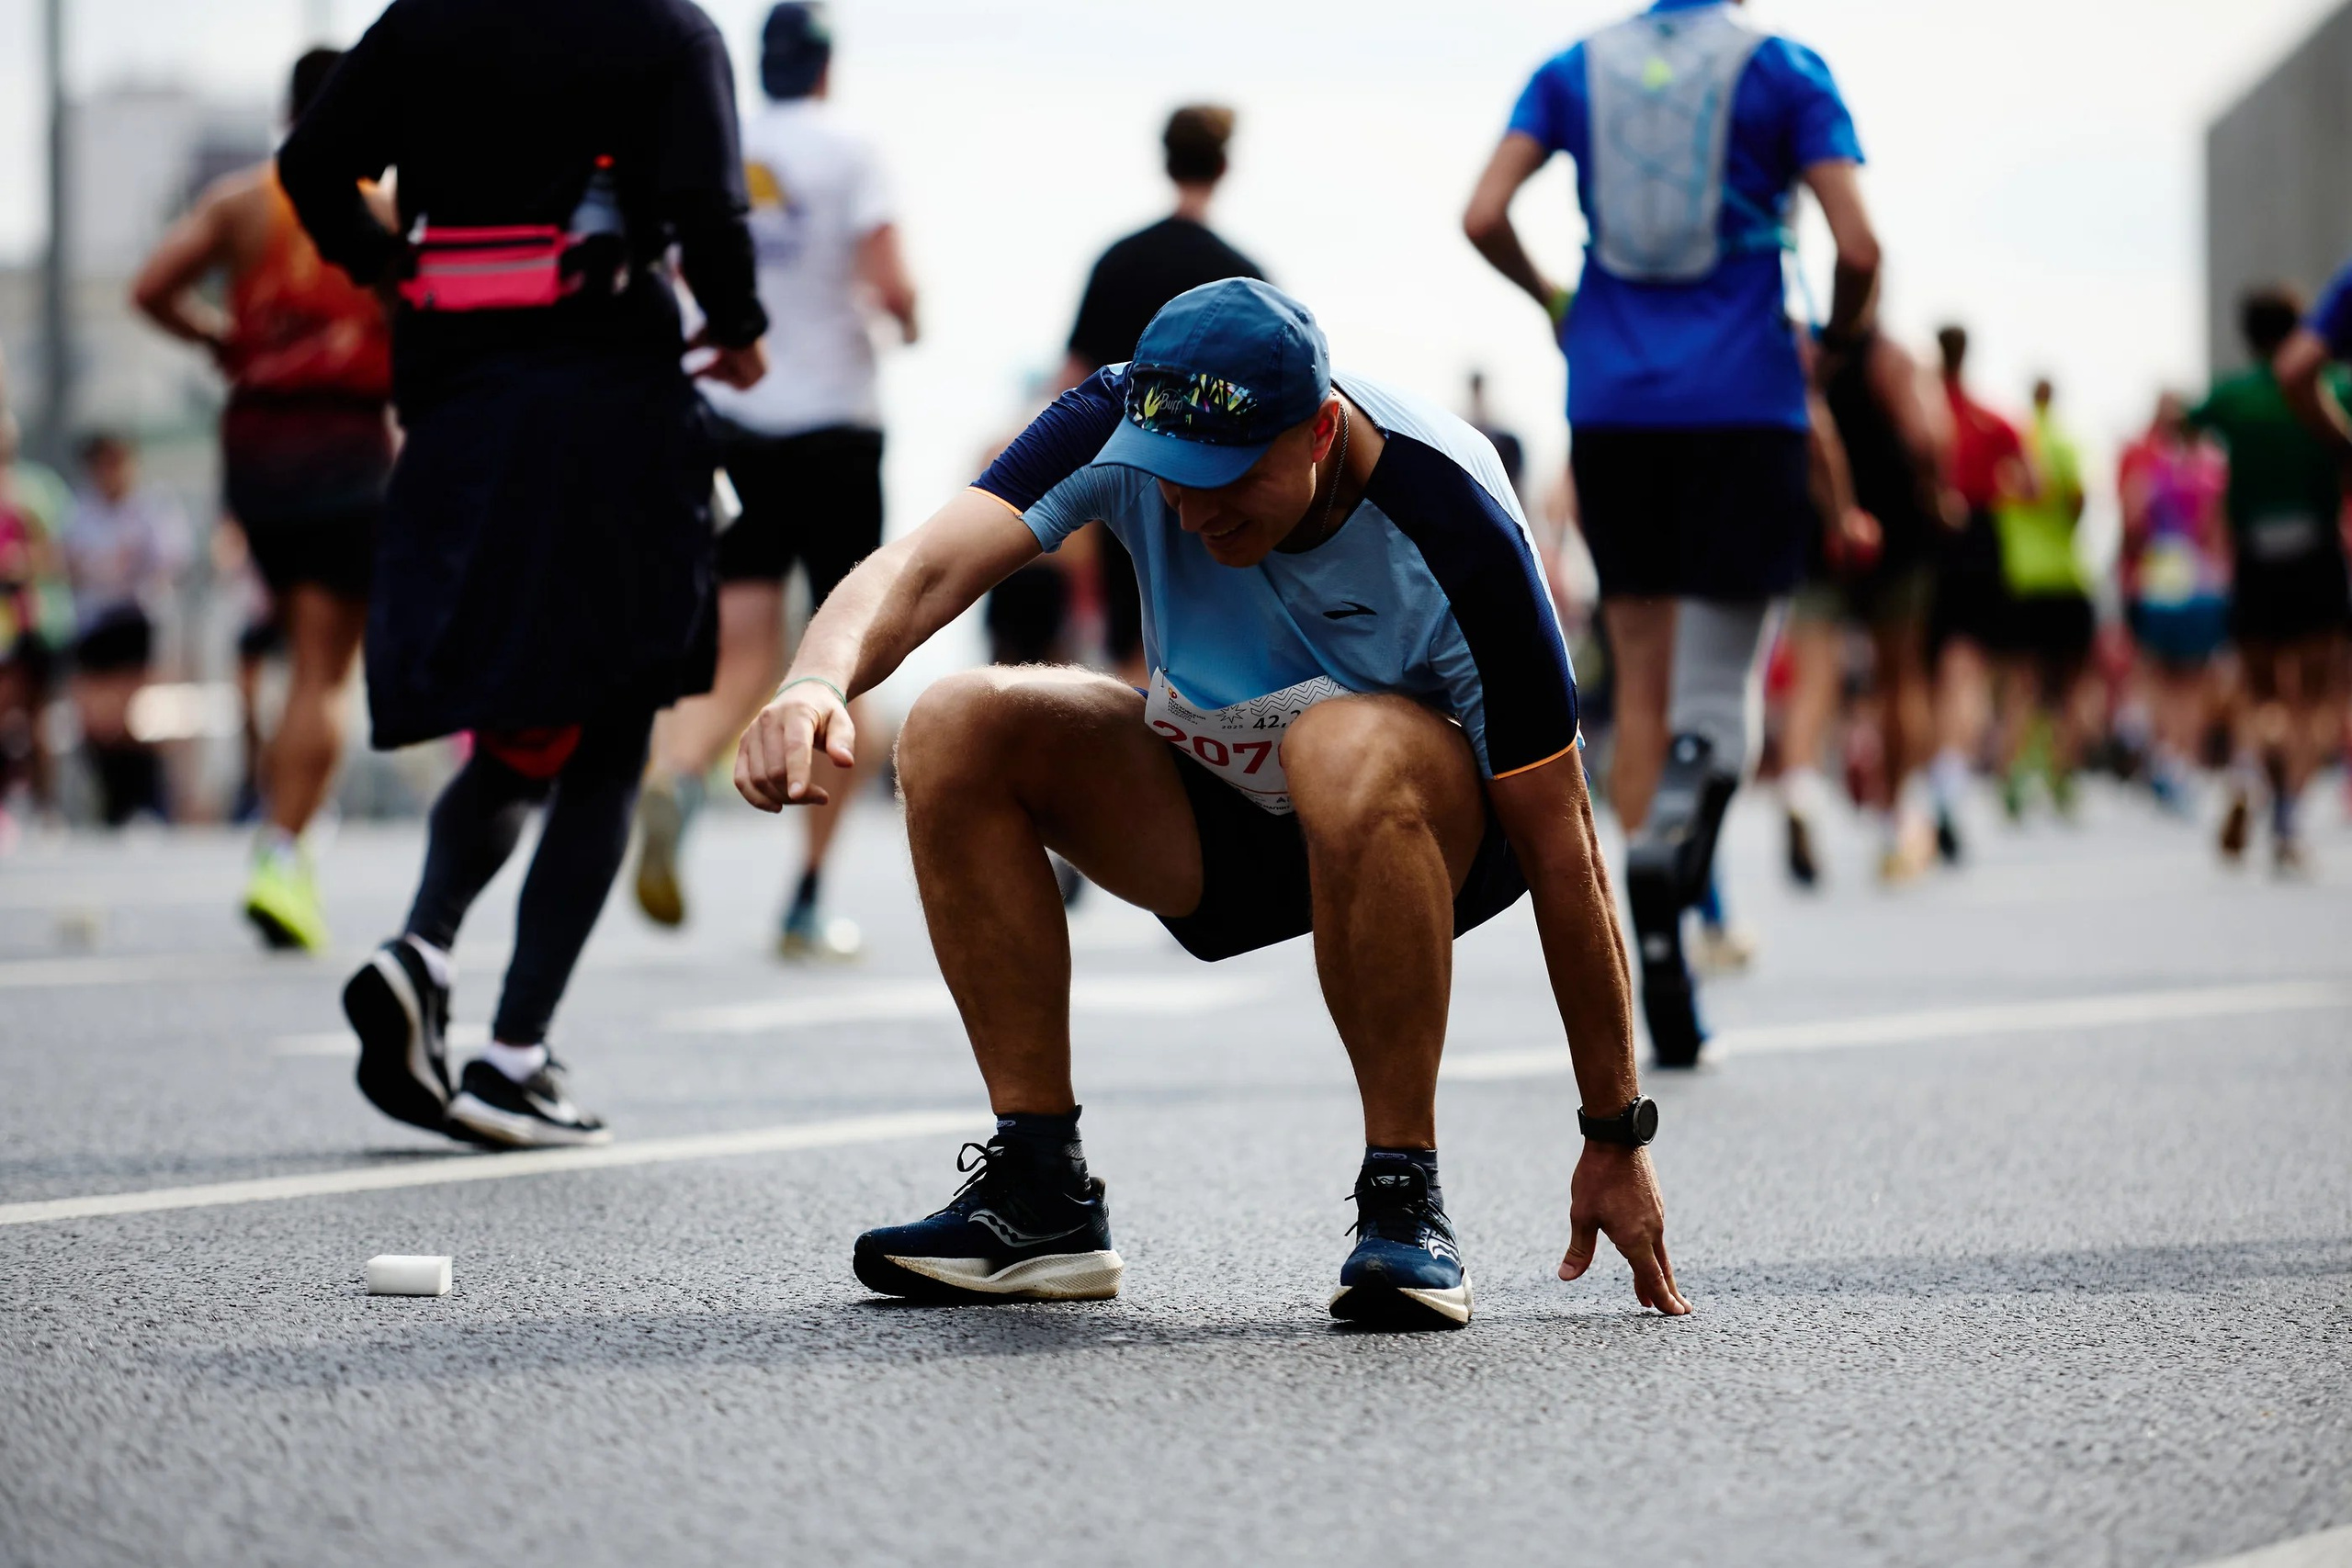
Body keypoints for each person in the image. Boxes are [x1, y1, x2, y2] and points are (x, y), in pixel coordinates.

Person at [735, 279, 1687, 1327]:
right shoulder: (1111, 415)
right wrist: (814, 682)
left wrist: (1614, 1134)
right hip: (1218, 807)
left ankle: (1402, 1195)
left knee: (1344, 742)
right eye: (1169, 478)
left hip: (1417, 828)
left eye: (1225, 478)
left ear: (1321, 429)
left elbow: (1565, 851)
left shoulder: (1453, 522)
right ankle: (1040, 1196)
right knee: (958, 720)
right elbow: (920, 568)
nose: (1189, 509)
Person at [280, 0, 769, 1147]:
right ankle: (512, 1054)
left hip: (456, 410)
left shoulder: (429, 20)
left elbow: (310, 164)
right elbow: (708, 207)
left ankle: (423, 950)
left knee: (517, 715)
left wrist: (390, 266)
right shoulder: (666, 30)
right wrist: (739, 321)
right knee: (608, 726)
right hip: (609, 406)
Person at [1463, 0, 1880, 1064]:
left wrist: (1559, 301)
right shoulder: (1783, 68)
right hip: (1745, 399)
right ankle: (1687, 841)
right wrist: (1826, 349)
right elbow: (1859, 246)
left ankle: (1665, 951)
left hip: (1612, 403)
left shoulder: (1571, 67)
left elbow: (1482, 214)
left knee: (1638, 674)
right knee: (1718, 680)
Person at [630, 2, 917, 957]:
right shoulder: (851, 150)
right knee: (843, 657)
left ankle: (675, 772)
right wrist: (903, 321)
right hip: (836, 425)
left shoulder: (727, 143)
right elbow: (897, 285)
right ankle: (805, 897)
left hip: (737, 418)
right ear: (826, 68)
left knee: (740, 645)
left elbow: (672, 266)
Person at [131, 47, 396, 952]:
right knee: (324, 669)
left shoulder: (242, 202)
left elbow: (149, 287)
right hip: (349, 450)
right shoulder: (383, 208)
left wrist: (218, 337)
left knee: (290, 649)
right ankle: (284, 852)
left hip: (256, 451)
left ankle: (286, 830)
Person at [1034, 103, 1264, 684]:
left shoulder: (1118, 261)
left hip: (1127, 476)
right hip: (1216, 485)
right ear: (1224, 166)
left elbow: (1073, 384)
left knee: (1129, 649)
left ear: (1166, 160)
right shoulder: (1241, 277)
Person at [1780, 327, 1951, 885]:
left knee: (1815, 680)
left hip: (1816, 532)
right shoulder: (1895, 355)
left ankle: (1801, 793)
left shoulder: (1808, 352)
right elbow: (1928, 437)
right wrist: (1939, 495)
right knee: (1899, 681)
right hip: (1894, 532)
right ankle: (1894, 821)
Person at [2205, 284, 2350, 872]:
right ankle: (2288, 813)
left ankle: (2249, 773)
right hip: (2315, 549)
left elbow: (2186, 425)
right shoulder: (2335, 389)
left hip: (2256, 556)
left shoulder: (2232, 398)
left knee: (2262, 693)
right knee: (2312, 697)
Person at [1924, 324, 2024, 861]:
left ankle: (1912, 794)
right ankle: (1948, 780)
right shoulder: (1993, 419)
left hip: (1928, 538)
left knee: (1920, 674)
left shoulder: (1922, 407)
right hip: (1979, 538)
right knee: (1966, 672)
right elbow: (2030, 483)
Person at [60, 433, 190, 826]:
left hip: (135, 622)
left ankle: (145, 802)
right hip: (95, 625)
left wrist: (123, 567)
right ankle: (113, 802)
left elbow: (170, 562)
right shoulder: (79, 512)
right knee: (99, 721)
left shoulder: (151, 509)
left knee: (135, 716)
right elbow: (69, 564)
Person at [2115, 391, 2228, 815]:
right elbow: (2216, 529)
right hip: (2200, 583)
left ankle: (2165, 756)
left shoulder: (2148, 470)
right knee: (2194, 684)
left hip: (2160, 580)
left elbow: (2131, 522)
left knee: (2161, 679)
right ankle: (2184, 762)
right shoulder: (2210, 470)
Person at [1990, 378, 2095, 819]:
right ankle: (2062, 774)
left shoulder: (2010, 443)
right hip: (2066, 577)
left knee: (2021, 686)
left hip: (2021, 579)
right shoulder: (2066, 443)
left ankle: (2013, 775)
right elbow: (2078, 501)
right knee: (2069, 689)